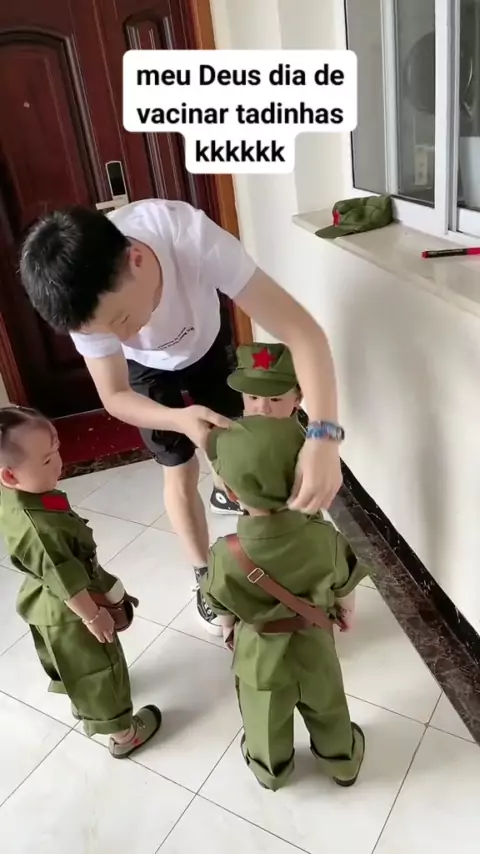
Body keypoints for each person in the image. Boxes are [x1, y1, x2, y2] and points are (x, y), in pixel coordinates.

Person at [20, 199, 344, 634]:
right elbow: (115, 394)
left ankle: (251, 533)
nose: (124, 337)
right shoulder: (86, 308)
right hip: (146, 374)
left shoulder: (192, 238)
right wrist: (179, 419)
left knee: (236, 440)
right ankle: (204, 576)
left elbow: (303, 333)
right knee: (178, 467)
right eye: (106, 334)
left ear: (136, 259)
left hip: (205, 342)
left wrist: (323, 437)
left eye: (122, 318)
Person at [201, 416, 367, 791]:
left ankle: (271, 769)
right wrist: (345, 614)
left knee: (263, 715)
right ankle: (342, 760)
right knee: (328, 704)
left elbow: (219, 604)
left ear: (230, 492)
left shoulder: (225, 554)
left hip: (259, 654)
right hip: (314, 644)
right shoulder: (324, 538)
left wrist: (228, 630)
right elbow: (345, 585)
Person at [0, 406, 162, 759]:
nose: (59, 462)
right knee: (98, 665)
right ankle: (123, 734)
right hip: (70, 608)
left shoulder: (16, 496)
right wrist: (92, 615)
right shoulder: (38, 528)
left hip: (45, 599)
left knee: (74, 662)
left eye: (57, 449)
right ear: (10, 475)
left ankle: (83, 699)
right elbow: (64, 579)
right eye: (46, 460)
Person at [224, 341, 357, 629]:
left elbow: (327, 451)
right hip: (258, 527)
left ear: (298, 398)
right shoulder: (234, 436)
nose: (262, 408)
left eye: (275, 399)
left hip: (302, 523)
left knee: (315, 568)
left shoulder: (307, 441)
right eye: (253, 397)